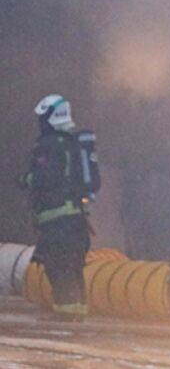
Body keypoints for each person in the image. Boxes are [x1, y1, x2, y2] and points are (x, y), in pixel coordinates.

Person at [17, 94, 94, 322]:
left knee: (58, 265)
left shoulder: (49, 145)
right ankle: (78, 312)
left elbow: (45, 178)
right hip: (77, 219)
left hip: (57, 219)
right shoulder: (72, 143)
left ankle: (66, 316)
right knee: (73, 265)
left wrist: (25, 179)